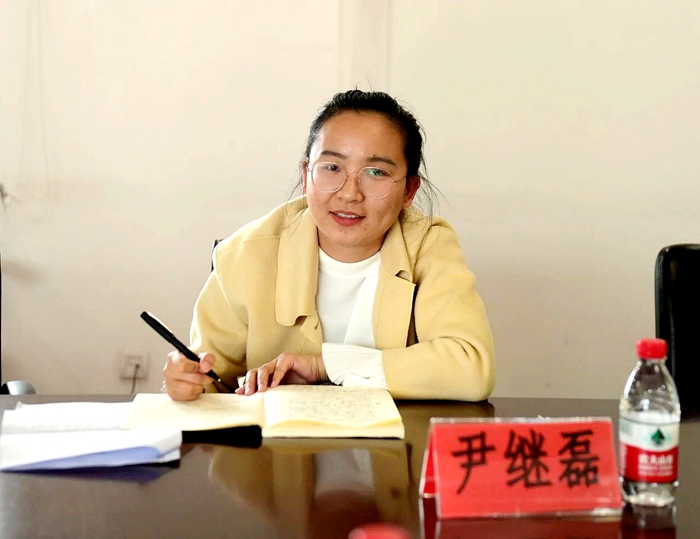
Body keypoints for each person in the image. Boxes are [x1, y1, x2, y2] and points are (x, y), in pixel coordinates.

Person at [162, 89, 495, 402]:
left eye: (376, 172)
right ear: (306, 175)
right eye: (332, 168)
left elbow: (471, 369)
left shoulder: (428, 244)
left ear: (409, 190)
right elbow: (210, 378)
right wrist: (186, 382)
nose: (349, 193)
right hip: (275, 443)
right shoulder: (245, 254)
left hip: (396, 442)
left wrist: (325, 366)